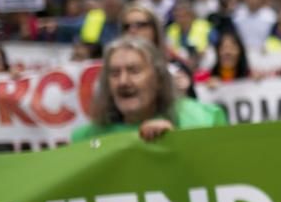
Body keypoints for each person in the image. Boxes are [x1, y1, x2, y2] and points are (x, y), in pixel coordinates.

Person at [72, 37, 226, 142]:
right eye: (114, 73)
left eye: (134, 71)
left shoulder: (203, 120)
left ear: (158, 78)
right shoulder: (87, 140)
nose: (123, 81)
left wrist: (176, 141)